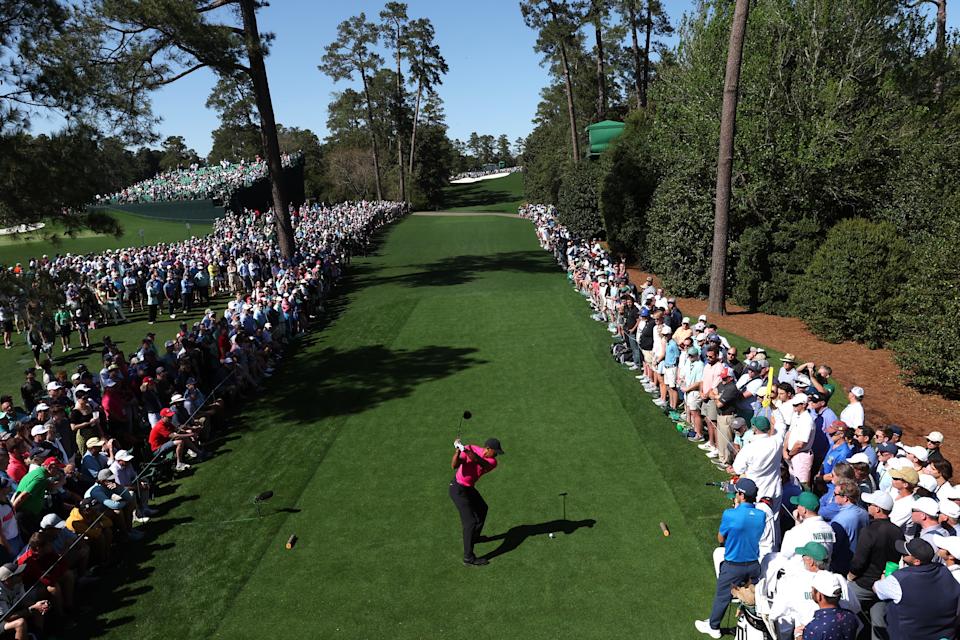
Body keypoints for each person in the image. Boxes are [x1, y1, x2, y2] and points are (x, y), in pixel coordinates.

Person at [695, 478, 765, 639]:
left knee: (722, 596)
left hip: (733, 566)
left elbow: (720, 538)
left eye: (737, 493)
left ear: (741, 495)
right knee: (752, 596)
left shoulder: (730, 514)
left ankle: (714, 627)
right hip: (754, 565)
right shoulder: (761, 515)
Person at [874, 538, 960, 640]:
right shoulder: (945, 570)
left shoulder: (899, 579)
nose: (902, 554)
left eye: (906, 554)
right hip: (944, 635)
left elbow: (876, 588)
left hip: (909, 636)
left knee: (876, 609)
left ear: (917, 561)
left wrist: (884, 578)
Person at [848, 490, 904, 640]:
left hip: (863, 585)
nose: (868, 506)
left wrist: (850, 577)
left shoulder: (869, 531)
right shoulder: (898, 532)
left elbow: (858, 562)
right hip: (884, 584)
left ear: (878, 509)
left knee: (842, 608)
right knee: (879, 625)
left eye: (871, 504)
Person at [449, 437, 503, 567]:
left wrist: (463, 448)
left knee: (482, 508)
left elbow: (478, 460)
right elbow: (454, 465)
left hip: (468, 488)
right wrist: (457, 451)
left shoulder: (492, 462)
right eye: (495, 452)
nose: (496, 455)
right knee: (470, 522)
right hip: (458, 489)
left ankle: (475, 537)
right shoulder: (471, 448)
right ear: (488, 449)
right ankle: (468, 557)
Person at [802, 571, 859, 640]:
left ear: (819, 596)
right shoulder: (850, 616)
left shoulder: (813, 628)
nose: (811, 592)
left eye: (813, 589)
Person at [0, 561, 50, 640]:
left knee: (39, 608)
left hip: (11, 612)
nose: (22, 575)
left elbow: (23, 600)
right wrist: (32, 608)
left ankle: (38, 636)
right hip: (2, 620)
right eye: (18, 575)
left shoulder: (17, 583)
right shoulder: (0, 592)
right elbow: (7, 618)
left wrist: (37, 605)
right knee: (20, 623)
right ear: (8, 580)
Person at [828, 481, 868, 574]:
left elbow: (835, 546)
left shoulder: (839, 520)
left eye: (835, 494)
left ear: (845, 498)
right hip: (859, 561)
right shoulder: (864, 512)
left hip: (843, 564)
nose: (833, 496)